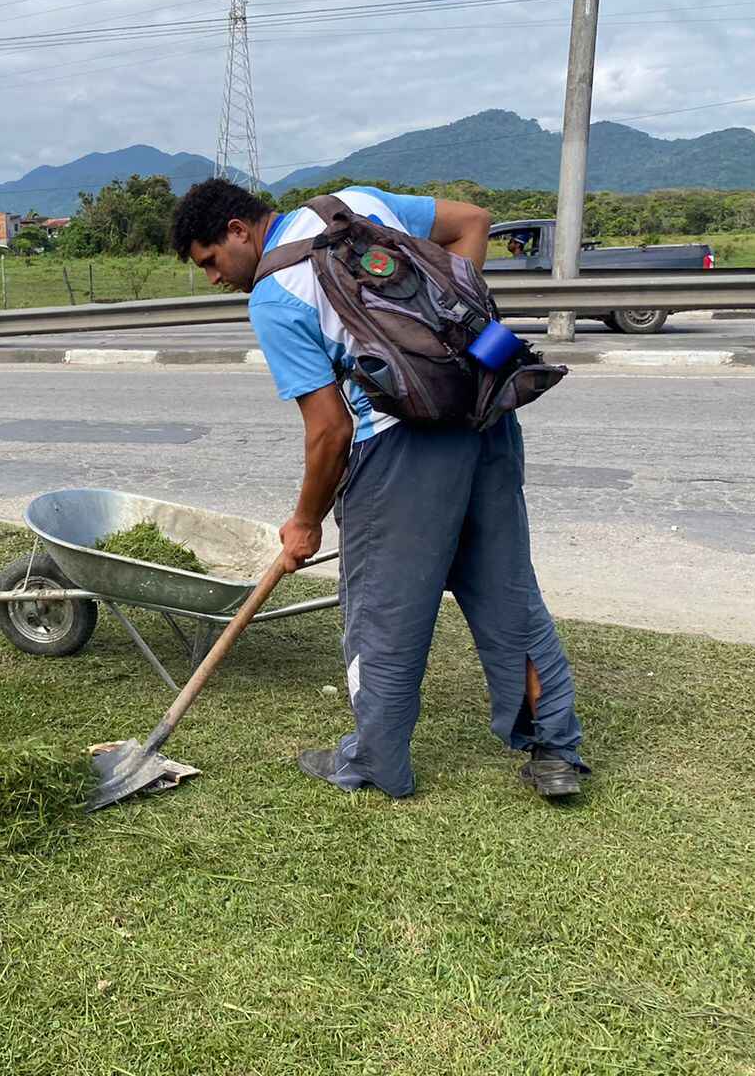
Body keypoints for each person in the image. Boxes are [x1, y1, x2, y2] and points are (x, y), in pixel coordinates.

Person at [171, 179, 589, 800]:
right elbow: (474, 218)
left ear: (239, 230)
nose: (213, 278)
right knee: (507, 591)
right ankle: (556, 750)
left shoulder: (273, 295)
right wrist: (457, 342)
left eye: (210, 261)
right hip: (488, 412)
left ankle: (375, 761)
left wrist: (305, 522)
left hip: (399, 449)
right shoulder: (357, 202)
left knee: (383, 615)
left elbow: (330, 430)